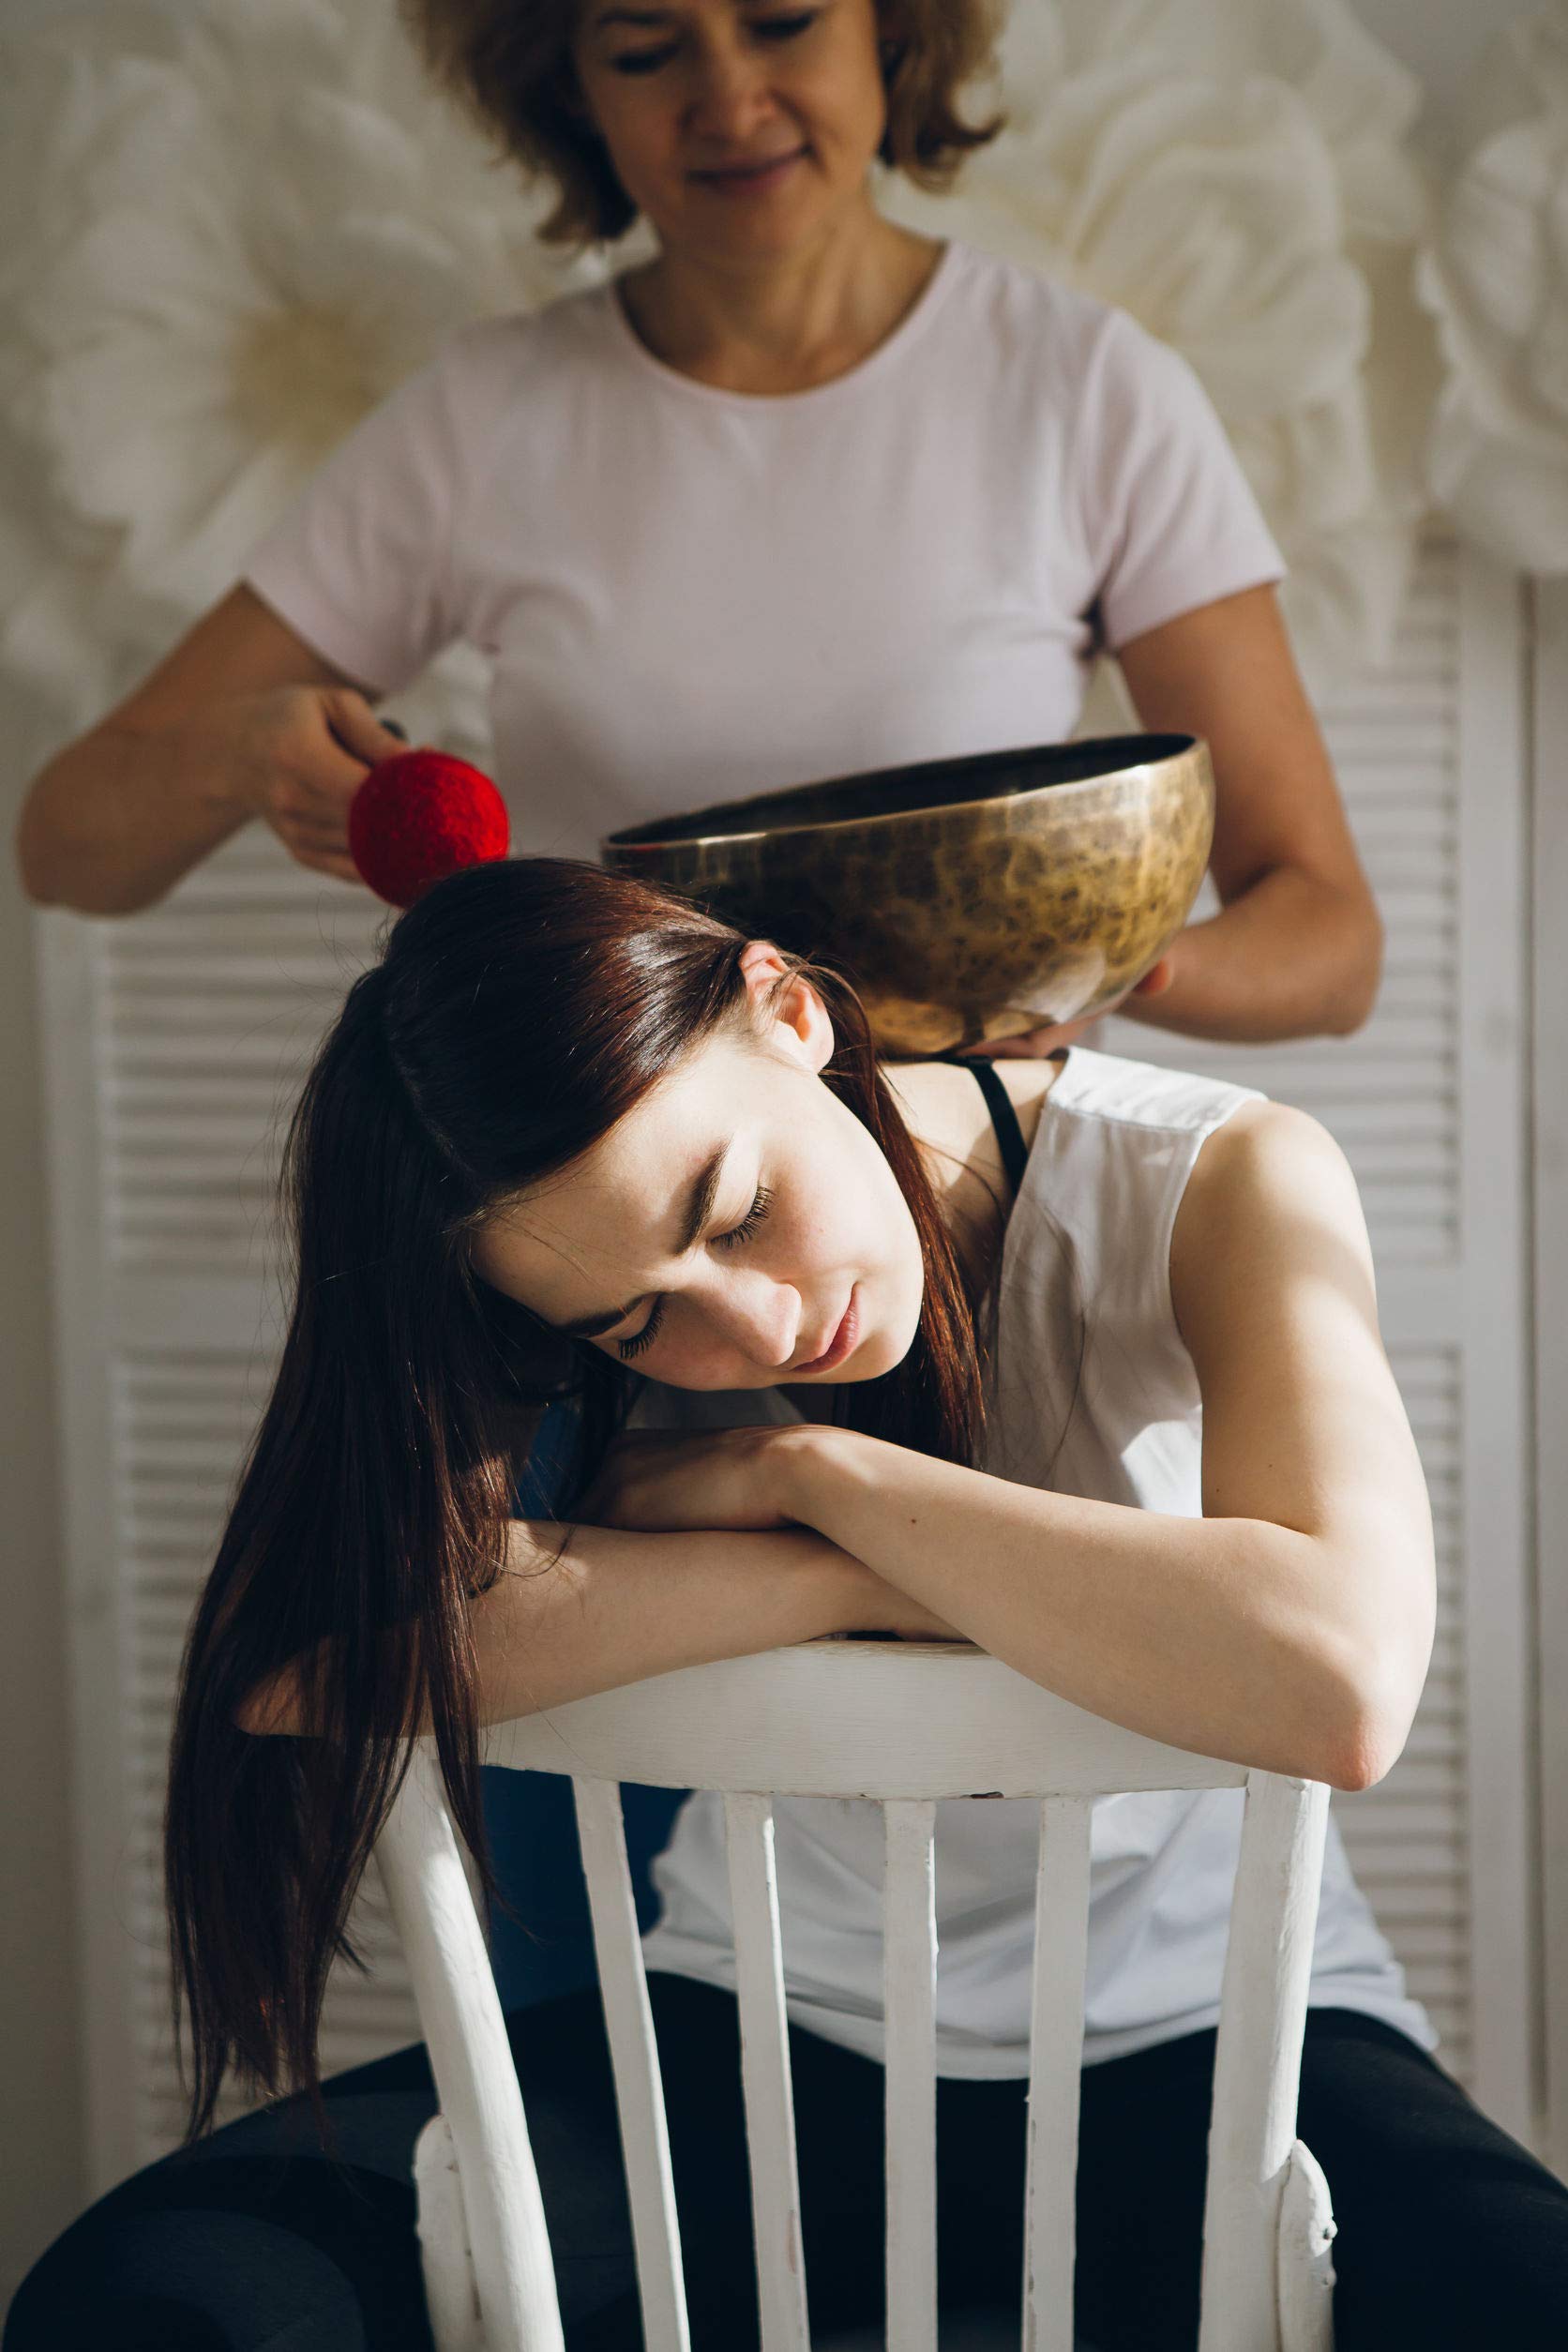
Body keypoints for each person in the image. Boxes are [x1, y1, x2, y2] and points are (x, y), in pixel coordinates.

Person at [10, 856, 1568, 2352]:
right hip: (755, 2040)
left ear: (796, 1015)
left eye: (736, 1207)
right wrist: (866, 1585)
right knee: (150, 2304)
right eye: (638, 1324)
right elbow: (303, 1661)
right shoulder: (557, 1278)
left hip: (1215, 2050)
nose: (752, 1327)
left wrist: (823, 1479)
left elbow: (1340, 1677)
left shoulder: (1213, 1173)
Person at [13, 0, 1381, 1046]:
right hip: (600, 1247)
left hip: (979, 1240)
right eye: (647, 46)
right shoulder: (485, 414)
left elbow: (1330, 939)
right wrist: (242, 755)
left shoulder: (1088, 390)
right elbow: (66, 844)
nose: (728, 96)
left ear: (889, 30)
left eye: (781, 19)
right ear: (571, 89)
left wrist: (1085, 965)